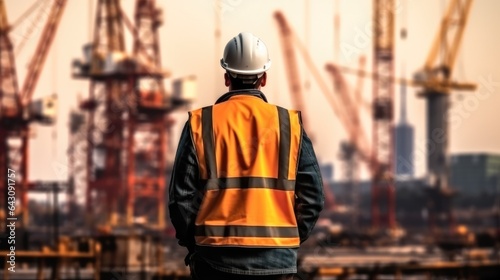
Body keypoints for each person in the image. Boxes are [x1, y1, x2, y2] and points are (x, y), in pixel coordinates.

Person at [168, 32, 324, 280]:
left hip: (214, 259)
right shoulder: (289, 124)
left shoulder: (202, 123)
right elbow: (313, 197)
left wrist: (194, 244)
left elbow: (180, 198)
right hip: (277, 260)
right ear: (263, 78)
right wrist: (288, 239)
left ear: (226, 76)